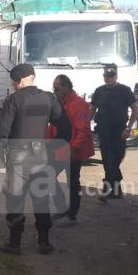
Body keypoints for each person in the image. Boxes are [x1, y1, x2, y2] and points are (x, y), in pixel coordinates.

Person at [0, 63, 71, 255]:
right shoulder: (49, 98)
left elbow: (3, 131)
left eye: (14, 82)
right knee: (41, 199)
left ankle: (14, 243)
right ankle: (44, 242)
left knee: (15, 200)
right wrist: (54, 148)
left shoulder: (13, 100)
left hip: (18, 157)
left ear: (21, 81)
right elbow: (64, 126)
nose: (13, 85)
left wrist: (2, 154)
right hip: (41, 156)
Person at [50, 74, 94, 223]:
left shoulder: (78, 104)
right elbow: (53, 127)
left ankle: (71, 214)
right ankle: (62, 207)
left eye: (57, 89)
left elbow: (83, 131)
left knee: (73, 182)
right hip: (59, 148)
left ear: (66, 87)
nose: (54, 92)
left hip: (72, 149)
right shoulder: (59, 103)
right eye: (54, 89)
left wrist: (73, 149)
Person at [90, 63, 138, 202]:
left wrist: (128, 128)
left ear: (116, 76)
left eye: (111, 76)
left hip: (119, 132)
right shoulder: (99, 91)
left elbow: (135, 110)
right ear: (103, 76)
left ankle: (113, 190)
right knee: (107, 161)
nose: (109, 79)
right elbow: (92, 110)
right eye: (107, 76)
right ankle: (111, 190)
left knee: (116, 159)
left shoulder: (125, 90)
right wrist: (85, 125)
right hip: (104, 131)